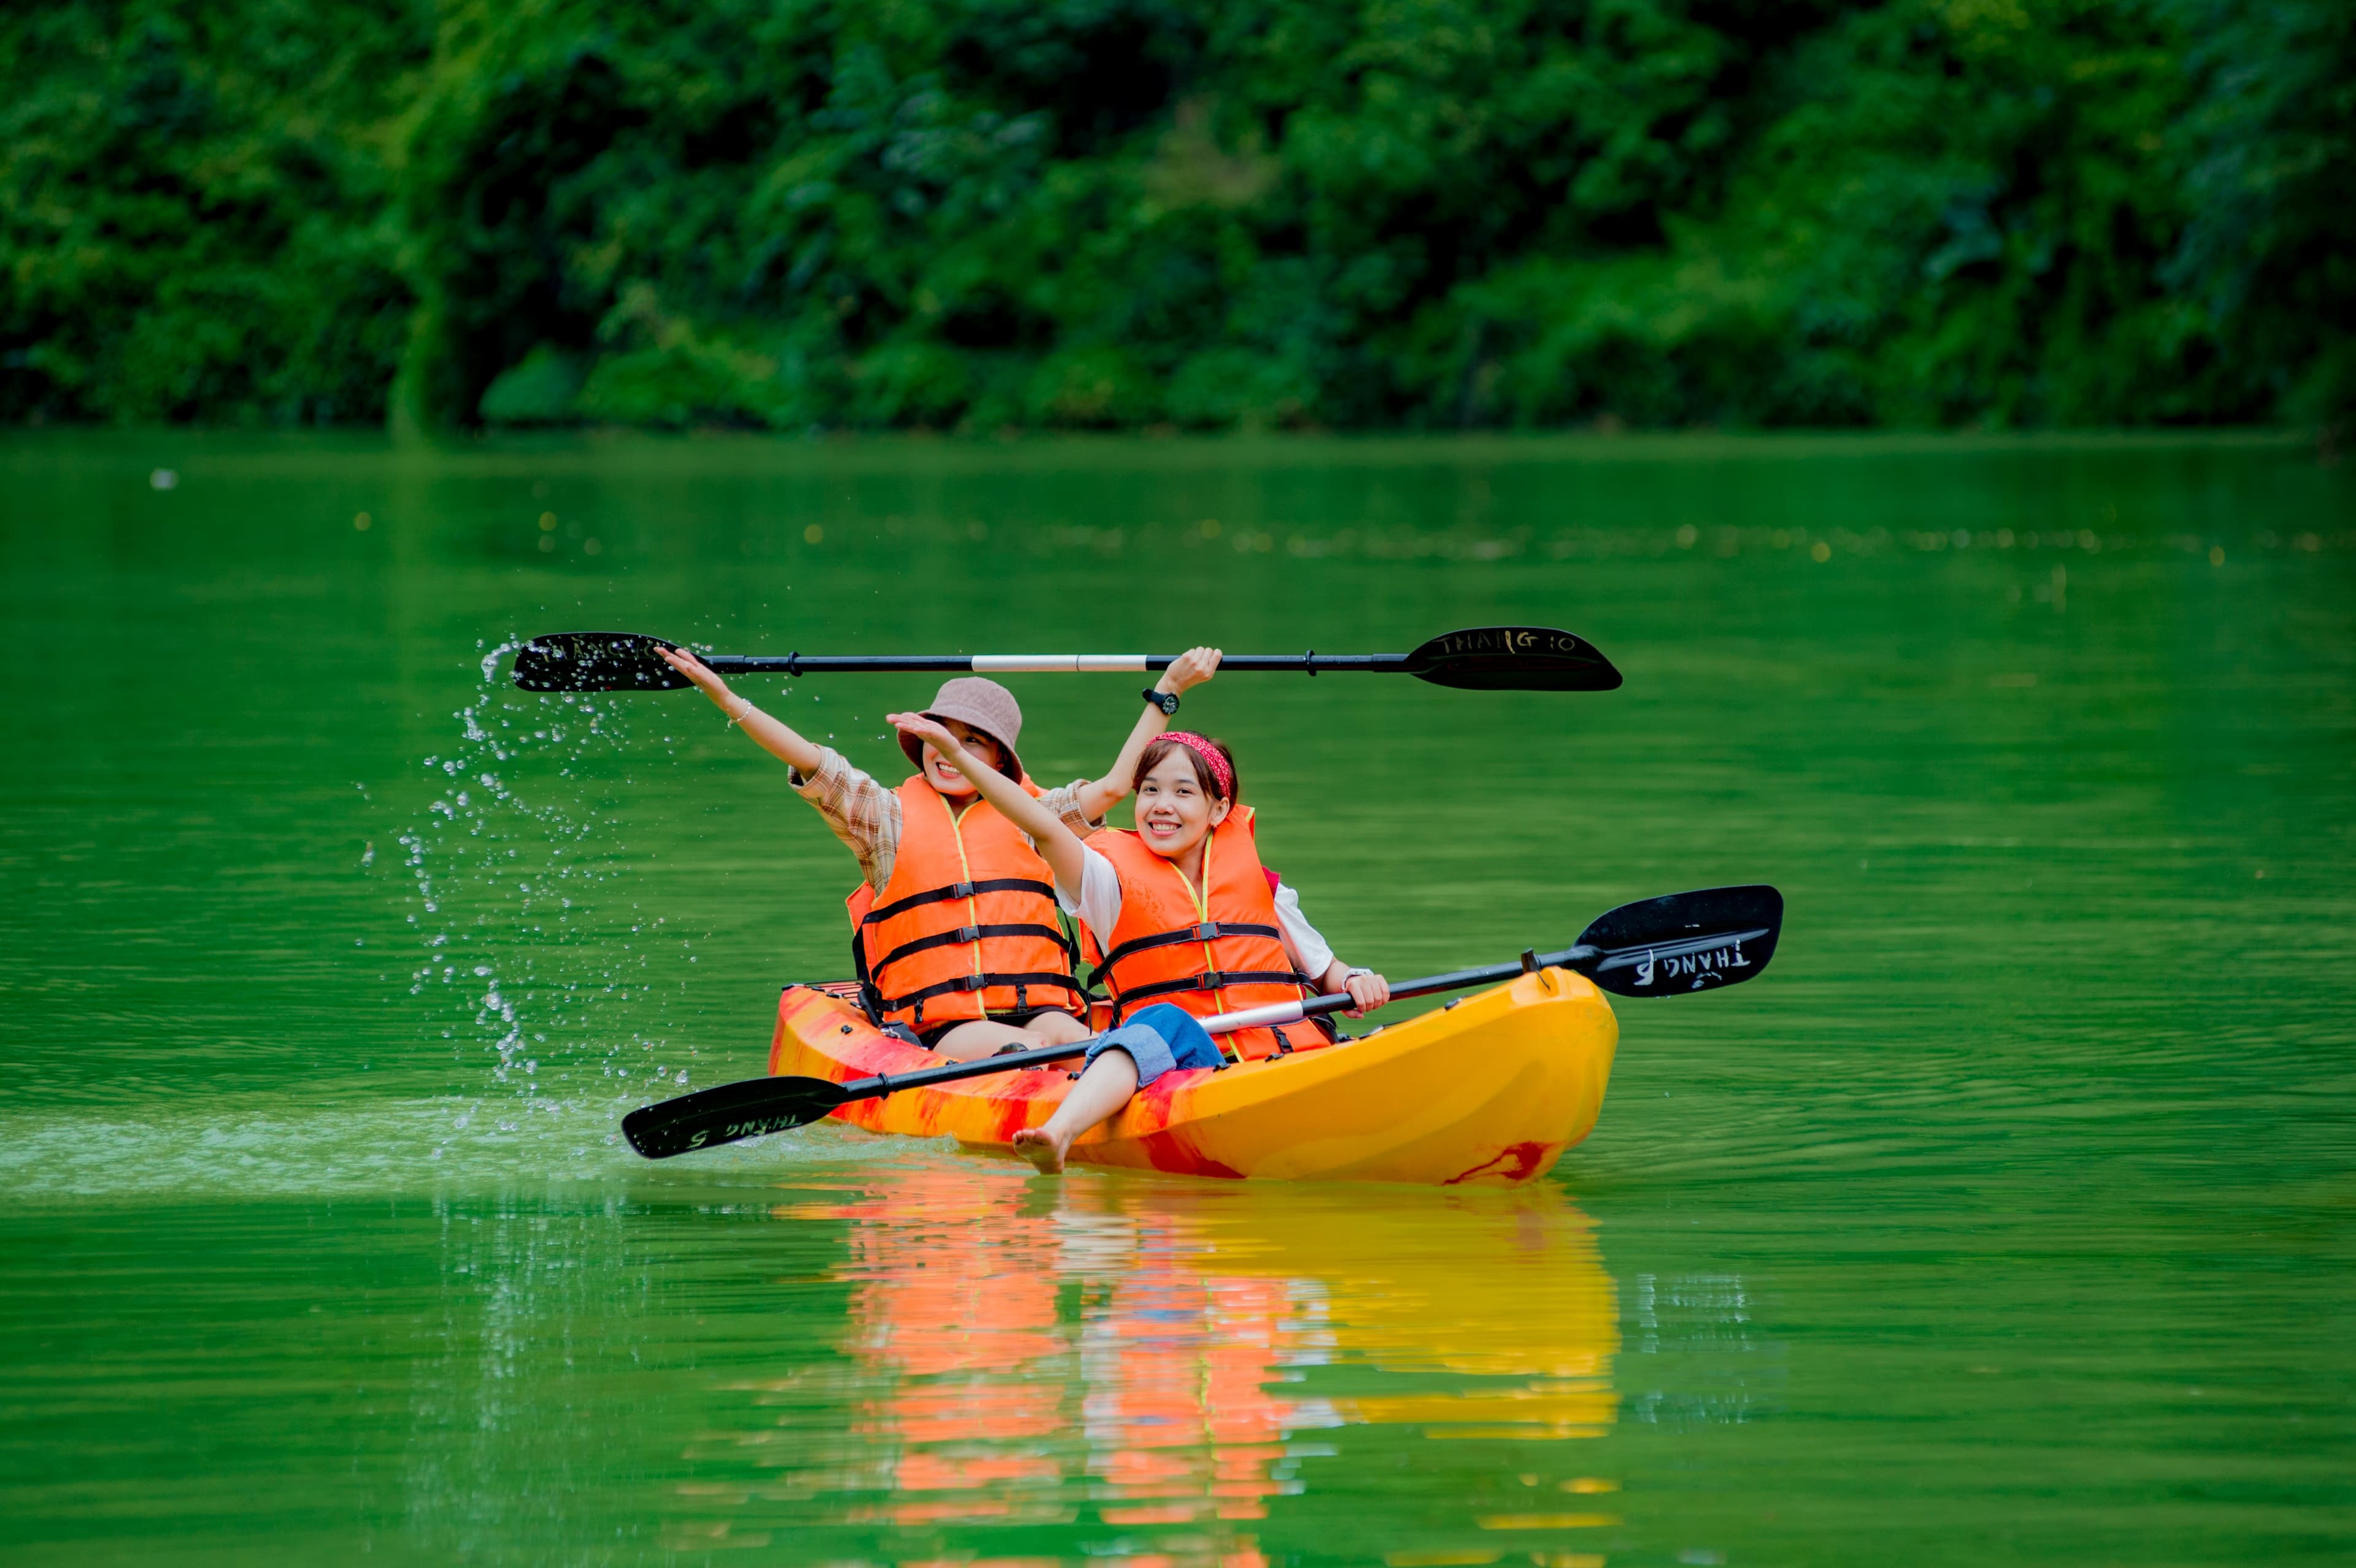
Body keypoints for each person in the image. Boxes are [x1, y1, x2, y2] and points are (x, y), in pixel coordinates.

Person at [888, 659, 1390, 1174]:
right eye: (1149, 790)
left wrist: (1356, 979)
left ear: (1219, 811)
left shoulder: (1265, 889)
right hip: (1186, 1065)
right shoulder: (1106, 880)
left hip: (1288, 1054)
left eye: (1182, 792)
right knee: (1166, 1020)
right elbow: (1038, 823)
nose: (1161, 806)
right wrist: (959, 756)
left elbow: (1328, 969)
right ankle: (1058, 1136)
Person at [656, 643, 1224, 1061]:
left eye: (970, 740)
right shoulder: (885, 818)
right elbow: (812, 761)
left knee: (1086, 1046)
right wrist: (726, 697)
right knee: (1024, 1048)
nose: (947, 753)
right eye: (940, 737)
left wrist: (1168, 691)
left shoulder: (1033, 817)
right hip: (942, 1024)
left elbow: (1114, 787)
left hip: (1049, 1006)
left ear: (998, 758)